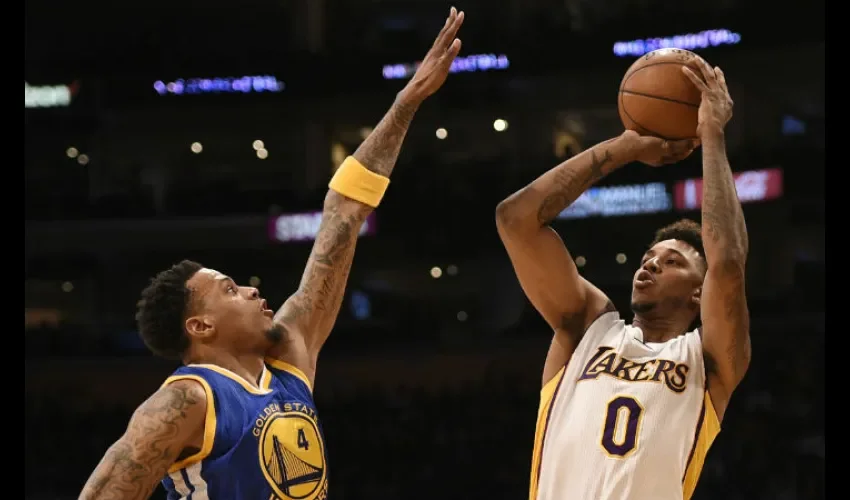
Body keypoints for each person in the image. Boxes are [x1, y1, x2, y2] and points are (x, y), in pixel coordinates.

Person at [78, 8, 466, 500]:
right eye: (229, 290)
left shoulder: (288, 362)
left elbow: (344, 211)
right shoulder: (186, 401)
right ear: (200, 326)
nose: (249, 290)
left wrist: (405, 103)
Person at [496, 56, 750, 500]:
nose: (650, 265)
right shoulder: (587, 327)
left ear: (699, 293)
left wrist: (711, 134)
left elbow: (727, 263)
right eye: (649, 257)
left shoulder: (708, 360)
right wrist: (624, 148)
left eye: (673, 262)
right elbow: (515, 220)